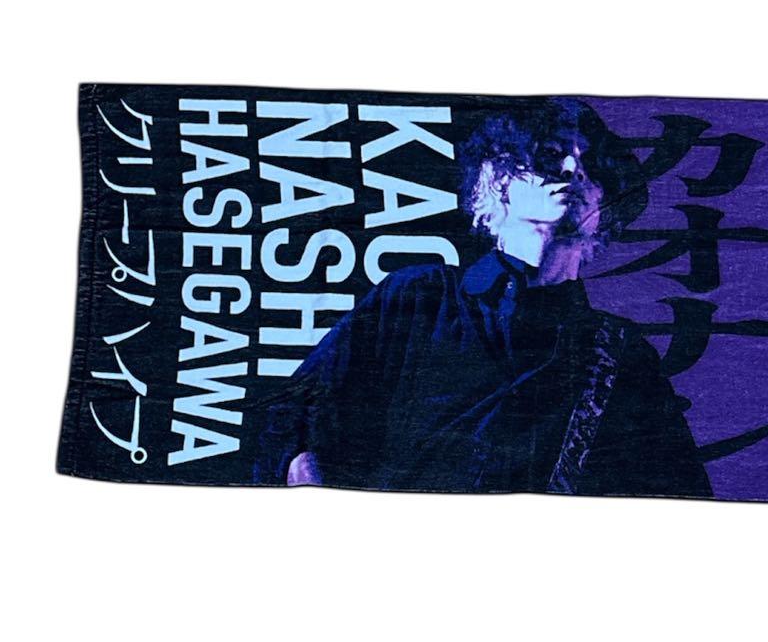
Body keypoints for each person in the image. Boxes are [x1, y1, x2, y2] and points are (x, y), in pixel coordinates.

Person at [252, 97, 712, 497]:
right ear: (495, 180)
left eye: (590, 166)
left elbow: (679, 494)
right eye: (550, 155)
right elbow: (288, 414)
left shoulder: (622, 356)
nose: (573, 171)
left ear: (602, 206)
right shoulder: (417, 298)